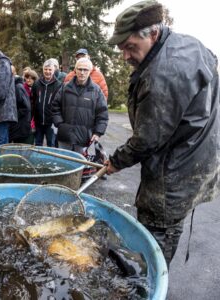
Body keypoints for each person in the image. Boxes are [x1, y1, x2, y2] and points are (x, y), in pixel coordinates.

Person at [106, 0, 220, 266]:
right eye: (122, 48)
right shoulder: (190, 45)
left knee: (152, 245)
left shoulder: (163, 74)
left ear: (153, 33)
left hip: (174, 175)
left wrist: (116, 162)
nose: (125, 56)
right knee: (169, 227)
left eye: (130, 47)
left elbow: (147, 138)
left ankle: (150, 287)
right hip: (195, 163)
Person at [52, 57, 108, 153]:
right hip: (64, 136)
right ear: (75, 70)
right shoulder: (65, 87)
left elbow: (102, 114)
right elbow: (55, 106)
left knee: (79, 165)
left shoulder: (96, 91)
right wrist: (60, 124)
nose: (82, 72)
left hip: (83, 139)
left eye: (85, 69)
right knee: (63, 165)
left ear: (90, 71)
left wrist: (97, 133)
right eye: (80, 69)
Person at [31, 59, 62, 147]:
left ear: (53, 70)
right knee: (37, 145)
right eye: (46, 69)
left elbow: (60, 104)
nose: (47, 72)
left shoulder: (59, 85)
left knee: (51, 145)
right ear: (43, 69)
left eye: (50, 70)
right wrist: (32, 118)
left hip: (51, 123)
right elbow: (32, 101)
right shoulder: (36, 84)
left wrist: (57, 121)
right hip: (38, 121)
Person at [9, 66, 33, 144]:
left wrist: (13, 115)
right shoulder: (13, 86)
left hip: (20, 126)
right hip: (17, 126)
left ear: (14, 73)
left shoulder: (18, 87)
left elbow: (26, 107)